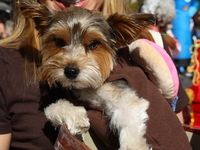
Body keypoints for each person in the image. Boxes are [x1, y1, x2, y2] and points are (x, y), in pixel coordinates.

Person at [0, 0, 191, 149]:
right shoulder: (6, 64)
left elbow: (175, 129)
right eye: (60, 42)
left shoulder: (144, 54)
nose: (72, 63)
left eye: (92, 45)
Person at [172, 0, 199, 74]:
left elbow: (194, 4)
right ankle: (177, 65)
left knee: (186, 42)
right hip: (175, 20)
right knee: (176, 41)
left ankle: (185, 65)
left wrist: (189, 12)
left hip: (185, 21)